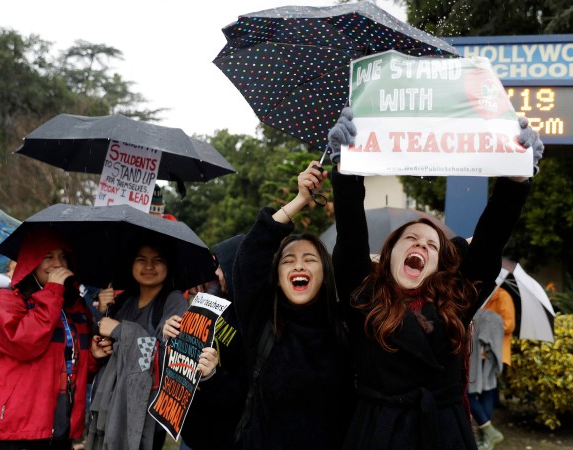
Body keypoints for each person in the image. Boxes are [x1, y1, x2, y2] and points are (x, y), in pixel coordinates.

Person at [327, 107, 543, 449]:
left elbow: (489, 242)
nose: (421, 245)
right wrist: (346, 170)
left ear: (438, 265)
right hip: (377, 433)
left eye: (431, 245)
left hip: (443, 433)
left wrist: (516, 181)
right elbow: (351, 236)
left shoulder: (456, 300)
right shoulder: (363, 295)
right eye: (411, 239)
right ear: (389, 254)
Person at [230, 162, 356, 450]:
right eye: (288, 260)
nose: (299, 264)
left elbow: (352, 246)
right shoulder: (262, 321)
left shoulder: (346, 326)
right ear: (277, 277)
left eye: (310, 260)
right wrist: (300, 200)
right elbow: (249, 258)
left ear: (325, 273)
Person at [0, 227, 109, 449]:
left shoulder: (75, 308)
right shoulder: (6, 301)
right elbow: (25, 344)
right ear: (31, 262)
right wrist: (53, 291)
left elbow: (76, 365)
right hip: (10, 431)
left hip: (57, 428)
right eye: (47, 257)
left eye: (63, 256)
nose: (57, 264)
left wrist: (94, 355)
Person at [85, 239, 189, 450]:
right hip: (111, 404)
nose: (149, 266)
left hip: (144, 410)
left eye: (157, 260)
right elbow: (111, 347)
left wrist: (120, 330)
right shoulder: (123, 300)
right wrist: (100, 347)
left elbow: (166, 354)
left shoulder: (173, 301)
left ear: (168, 266)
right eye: (141, 259)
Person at [174, 234, 250, 450]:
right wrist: (174, 329)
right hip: (192, 432)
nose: (215, 272)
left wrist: (213, 376)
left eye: (221, 265)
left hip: (224, 438)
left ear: (237, 266)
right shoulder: (212, 302)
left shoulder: (250, 321)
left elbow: (241, 393)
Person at [467, 308, 505, 450]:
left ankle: (488, 434)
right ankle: (486, 436)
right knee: (477, 393)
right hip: (475, 356)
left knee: (478, 392)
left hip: (485, 358)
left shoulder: (502, 297)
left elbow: (509, 323)